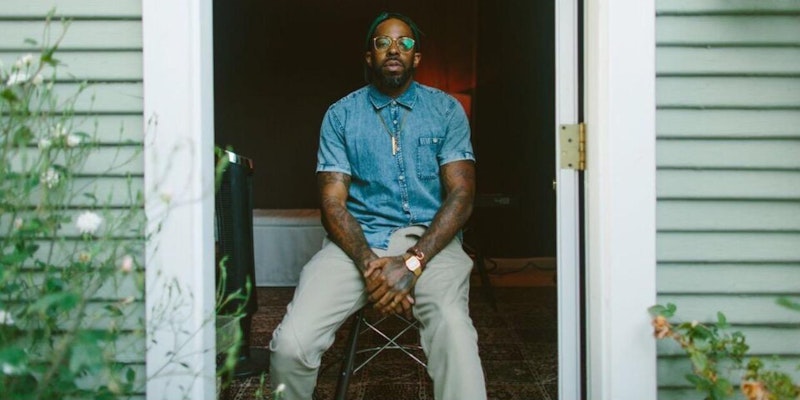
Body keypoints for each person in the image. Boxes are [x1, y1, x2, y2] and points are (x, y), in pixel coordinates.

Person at [269, 11, 487, 399]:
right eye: (383, 42)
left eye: (405, 42)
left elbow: (461, 195)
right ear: (369, 56)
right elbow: (332, 203)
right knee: (291, 344)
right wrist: (370, 265)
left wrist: (412, 262)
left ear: (416, 57)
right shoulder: (341, 115)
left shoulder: (446, 110)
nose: (394, 49)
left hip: (431, 244)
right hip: (357, 244)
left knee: (455, 334)